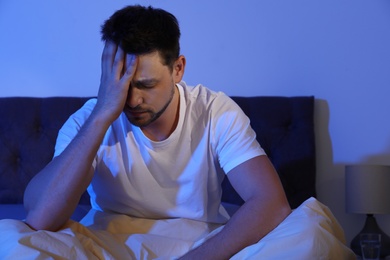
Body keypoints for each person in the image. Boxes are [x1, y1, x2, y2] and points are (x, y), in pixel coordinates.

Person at [3, 5, 354, 259]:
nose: (133, 98)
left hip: (202, 245)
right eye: (121, 85)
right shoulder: (89, 120)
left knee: (311, 230)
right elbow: (40, 218)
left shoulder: (215, 110)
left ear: (178, 69)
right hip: (108, 245)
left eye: (145, 84)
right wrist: (101, 115)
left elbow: (271, 204)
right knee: (8, 239)